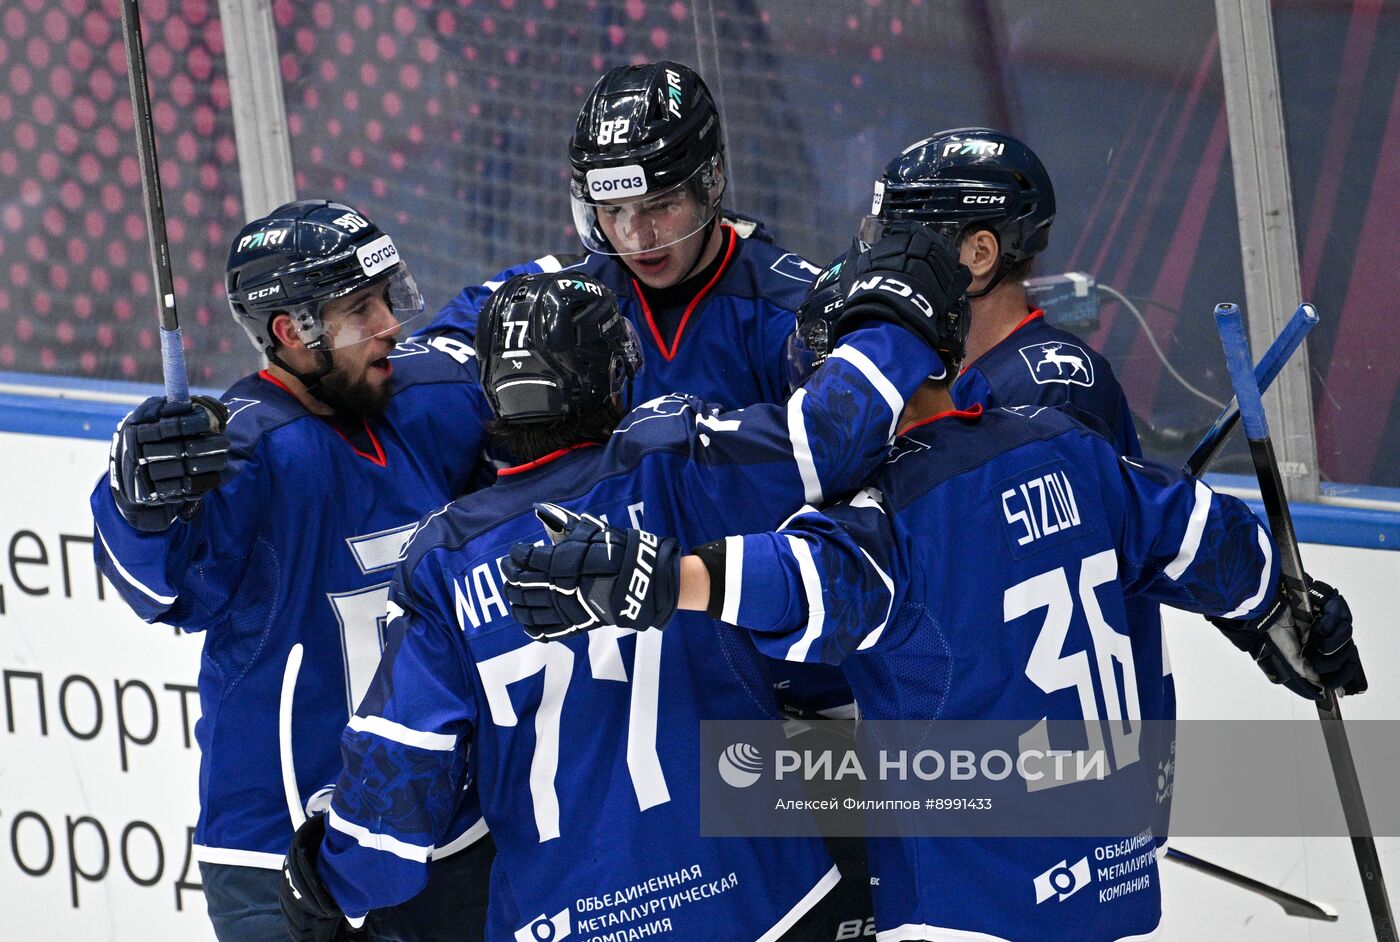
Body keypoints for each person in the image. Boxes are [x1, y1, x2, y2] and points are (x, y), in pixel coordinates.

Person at [503, 355, 1368, 942]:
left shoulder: (896, 512)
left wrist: (666, 576)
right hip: (1112, 877)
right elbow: (1209, 538)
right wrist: (1284, 613)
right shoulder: (1071, 446)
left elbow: (799, 584)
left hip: (973, 906)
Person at [275, 228, 972, 941]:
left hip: (563, 920)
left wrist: (331, 880)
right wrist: (896, 321)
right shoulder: (669, 458)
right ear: (614, 377)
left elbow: (399, 781)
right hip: (758, 901)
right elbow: (826, 436)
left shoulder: (444, 559)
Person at [91, 200, 497, 942]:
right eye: (361, 310)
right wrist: (135, 502)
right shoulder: (240, 455)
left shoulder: (431, 399)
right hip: (281, 854)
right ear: (291, 332)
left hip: (447, 831)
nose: (390, 325)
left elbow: (495, 324)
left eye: (387, 297)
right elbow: (157, 588)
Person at [864, 126, 1183, 839]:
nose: (879, 261)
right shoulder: (951, 379)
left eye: (902, 241)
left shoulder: (1046, 387)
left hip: (1063, 764)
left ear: (979, 254)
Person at [423, 59, 820, 410]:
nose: (636, 239)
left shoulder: (796, 308)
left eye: (661, 205)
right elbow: (438, 352)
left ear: (711, 180)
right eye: (613, 210)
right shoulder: (563, 296)